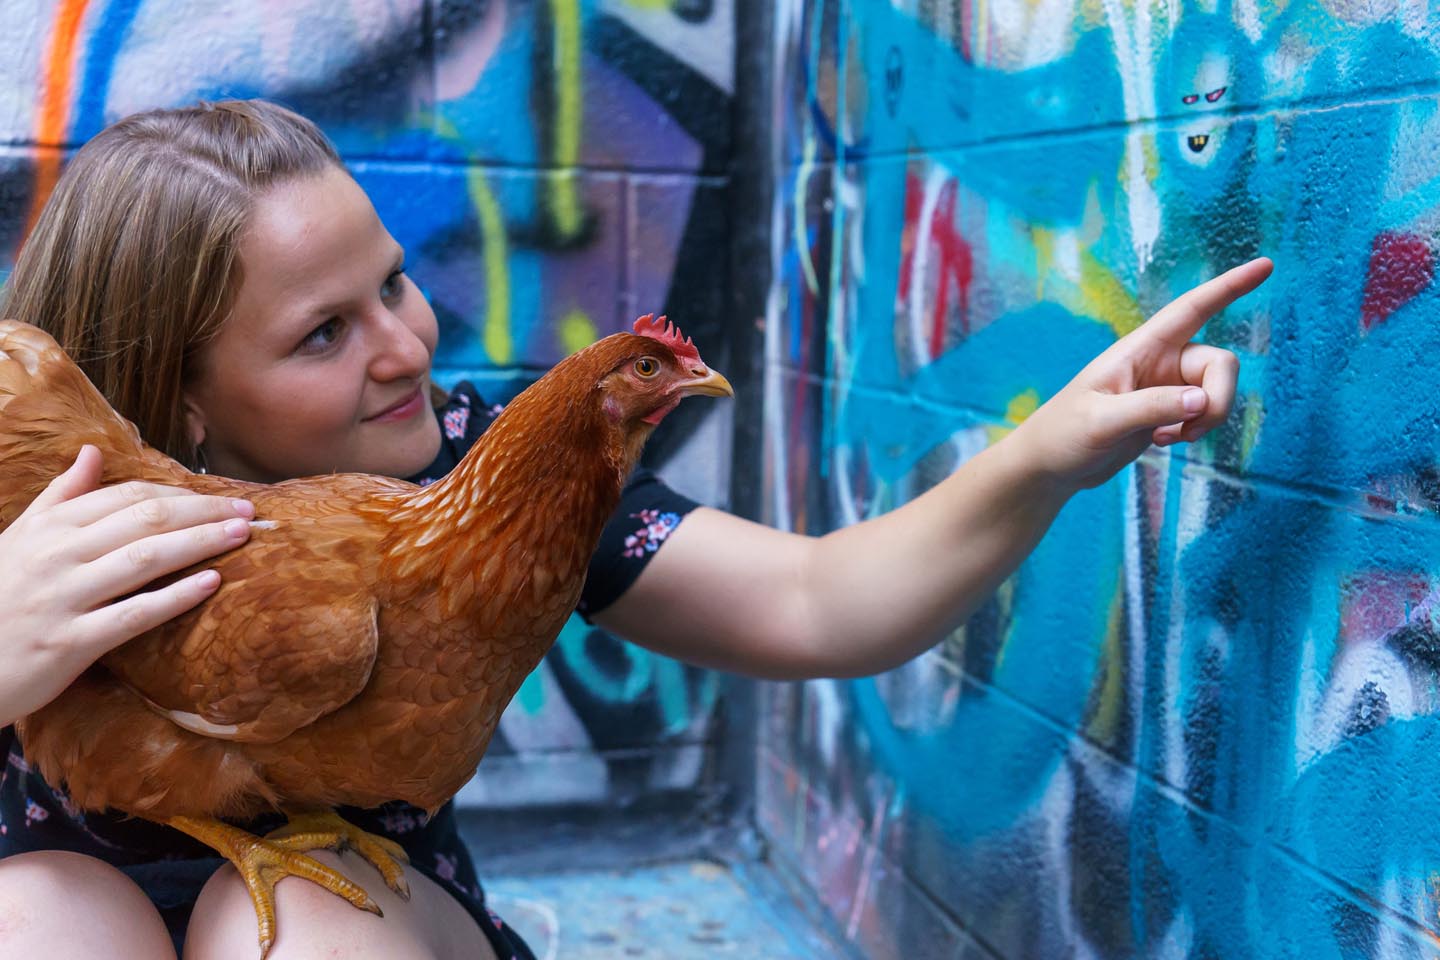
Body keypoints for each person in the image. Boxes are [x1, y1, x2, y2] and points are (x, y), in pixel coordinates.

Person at [0, 100, 1271, 959]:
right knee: (43, 919)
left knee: (288, 932)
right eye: (322, 334)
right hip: (76, 898)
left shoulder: (484, 473)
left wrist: (1053, 445)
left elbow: (814, 602)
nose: (402, 343)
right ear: (181, 400)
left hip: (368, 935)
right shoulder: (39, 530)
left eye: (390, 282)